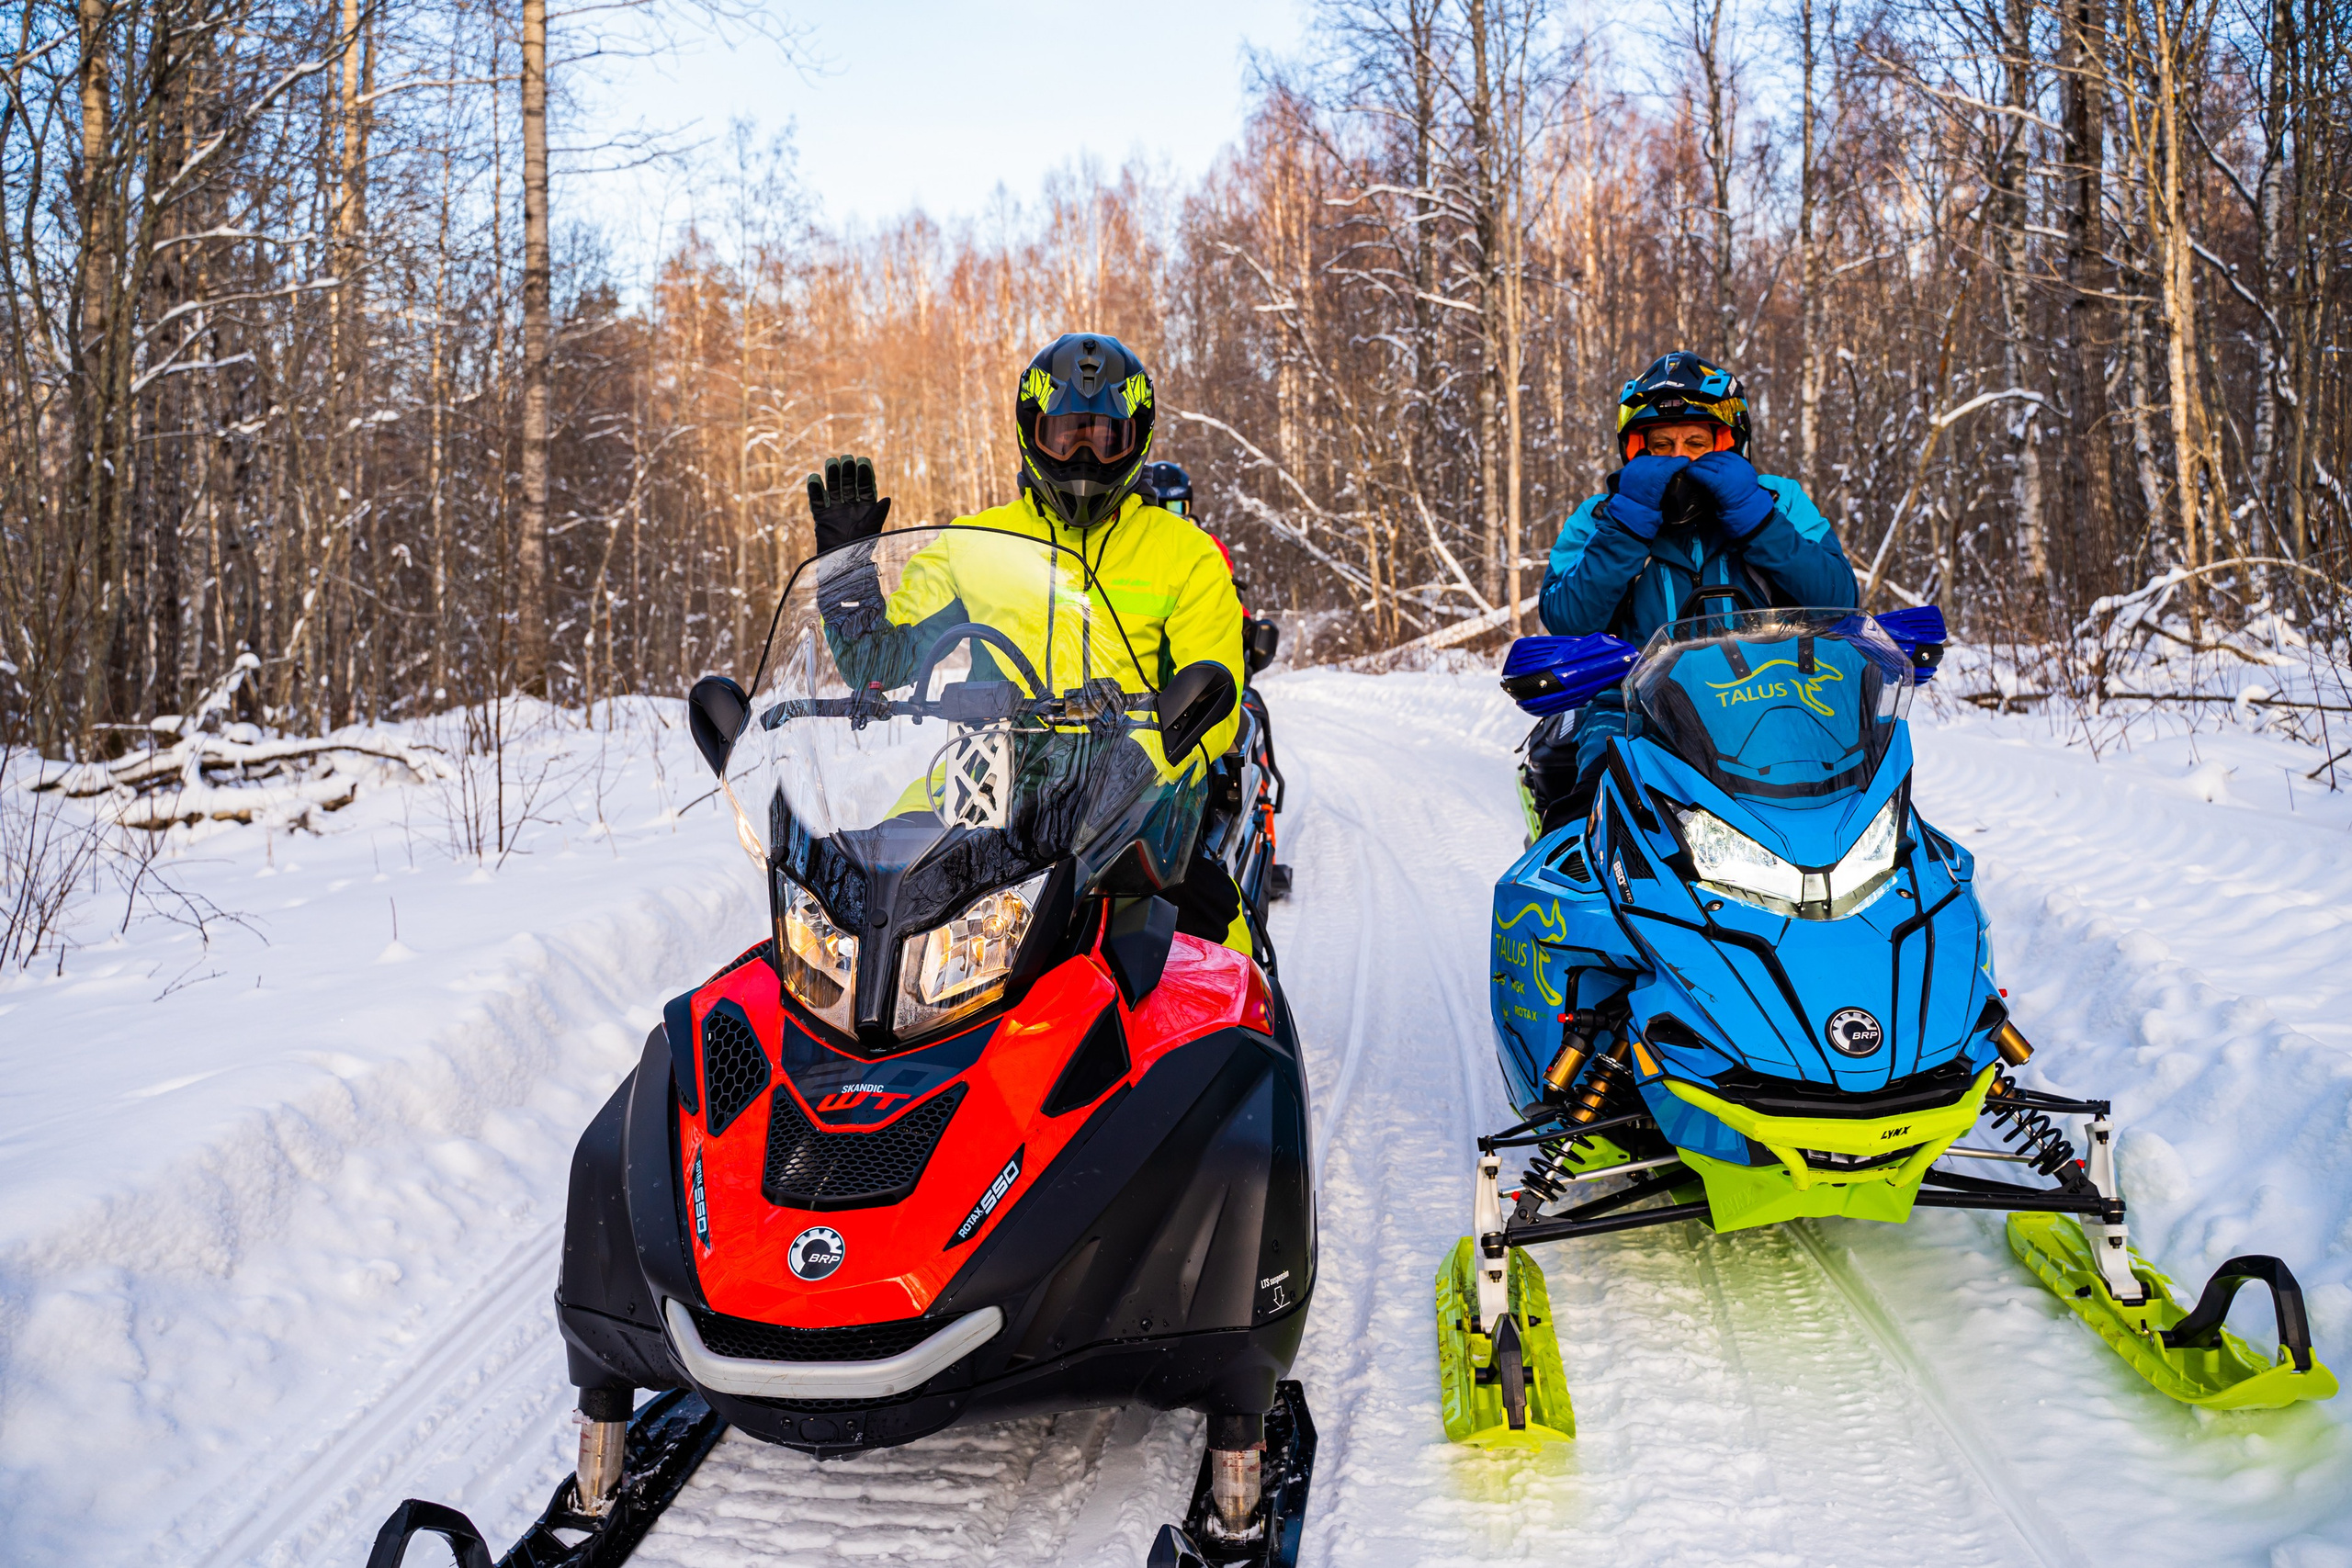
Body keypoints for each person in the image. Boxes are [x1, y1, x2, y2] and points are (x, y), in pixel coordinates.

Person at [804, 332, 1256, 953]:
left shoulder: (1186, 554)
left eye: (1106, 438)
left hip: (1133, 794)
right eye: (1065, 435)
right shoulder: (972, 542)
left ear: (1138, 440)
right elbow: (879, 664)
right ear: (1031, 432)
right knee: (859, 908)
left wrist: (1142, 758)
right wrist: (847, 579)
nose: (1084, 457)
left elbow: (1215, 703)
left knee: (1216, 948)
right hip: (981, 782)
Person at [1528, 352, 1859, 831]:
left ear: (1727, 443)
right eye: (1661, 445)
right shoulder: (1599, 516)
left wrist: (1756, 519)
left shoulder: (1780, 500)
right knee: (1585, 831)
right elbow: (1567, 618)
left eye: (1696, 442)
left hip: (1779, 703)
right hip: (1633, 717)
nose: (1679, 457)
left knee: (1865, 826)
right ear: (1636, 451)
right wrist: (1628, 524)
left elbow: (1838, 598)